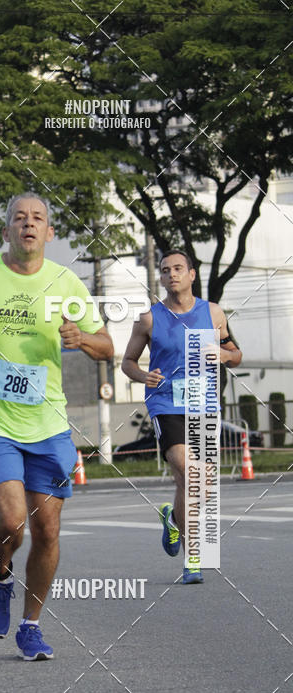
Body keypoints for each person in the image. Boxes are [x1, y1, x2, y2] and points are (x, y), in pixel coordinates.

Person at [0, 192, 113, 660]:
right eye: (19, 218)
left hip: (48, 421)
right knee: (11, 521)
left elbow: (108, 346)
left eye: (38, 219)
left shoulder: (66, 282)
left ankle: (30, 626)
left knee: (47, 530)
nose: (28, 225)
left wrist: (82, 338)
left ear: (49, 232)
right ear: (6, 229)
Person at [121, 249, 242, 584]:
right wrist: (143, 375)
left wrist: (221, 353)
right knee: (189, 474)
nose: (171, 274)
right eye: (164, 270)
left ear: (191, 274)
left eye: (177, 268)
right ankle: (193, 559)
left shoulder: (213, 313)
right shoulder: (148, 319)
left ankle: (173, 520)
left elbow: (236, 354)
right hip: (166, 404)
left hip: (204, 405)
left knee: (198, 484)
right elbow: (127, 362)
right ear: (160, 278)